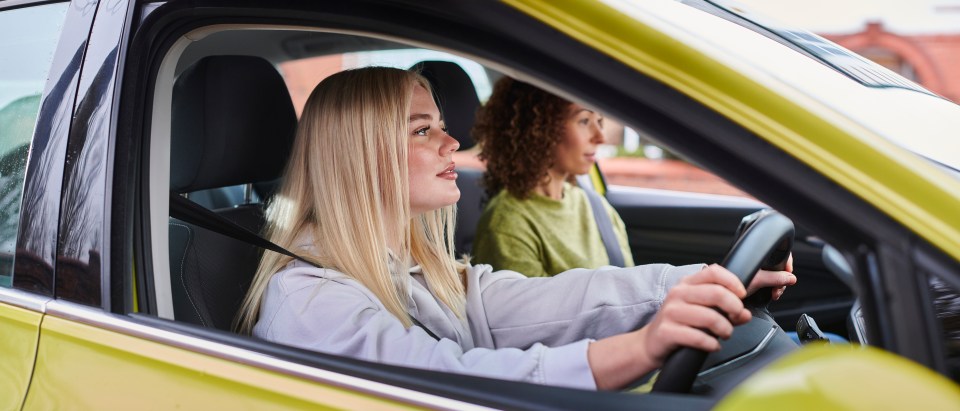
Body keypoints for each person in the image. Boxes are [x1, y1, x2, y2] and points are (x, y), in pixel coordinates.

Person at [236, 67, 796, 391]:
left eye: (444, 126)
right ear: (359, 154)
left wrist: (701, 280)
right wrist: (640, 350)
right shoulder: (309, 300)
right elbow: (443, 381)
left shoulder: (417, 268)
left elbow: (550, 301)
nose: (452, 144)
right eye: (421, 130)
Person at [471, 77, 632, 277]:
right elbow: (532, 308)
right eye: (584, 121)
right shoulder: (507, 225)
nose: (601, 137)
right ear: (539, 128)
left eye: (599, 121)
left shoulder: (596, 207)